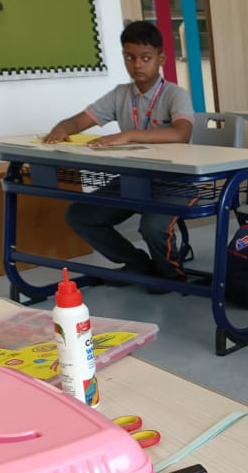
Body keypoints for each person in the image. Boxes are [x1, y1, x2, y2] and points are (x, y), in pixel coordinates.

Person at [44, 20, 194, 285]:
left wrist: (128, 135)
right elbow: (79, 121)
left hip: (175, 181)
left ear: (161, 59)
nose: (137, 65)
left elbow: (181, 133)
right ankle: (139, 265)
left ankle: (170, 276)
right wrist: (62, 127)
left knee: (152, 227)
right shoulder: (120, 94)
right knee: (80, 216)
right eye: (129, 57)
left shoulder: (175, 95)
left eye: (145, 58)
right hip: (134, 179)